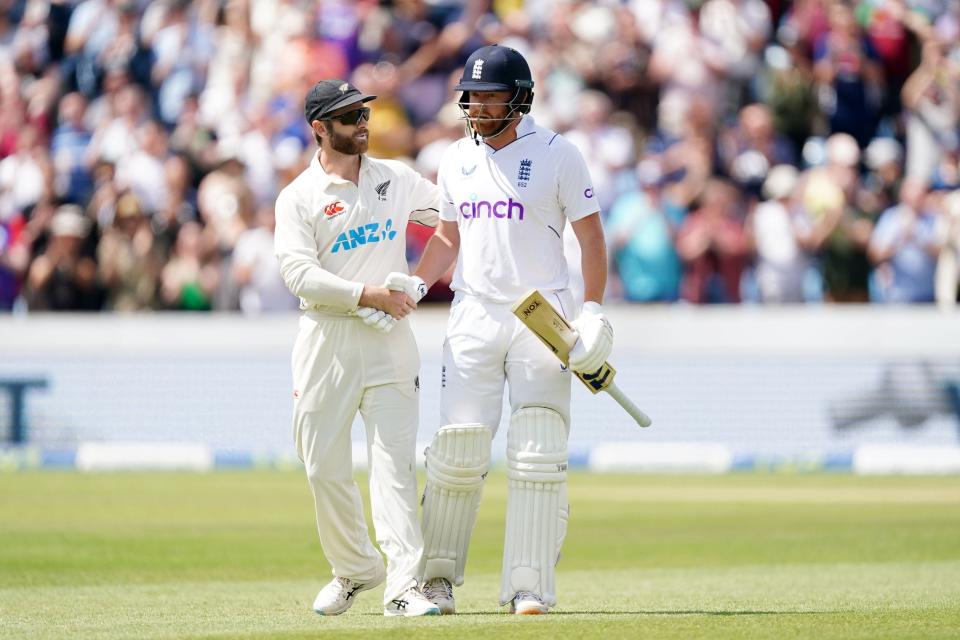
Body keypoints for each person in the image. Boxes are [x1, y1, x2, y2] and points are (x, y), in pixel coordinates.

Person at [398, 44, 614, 615]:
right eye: (471, 97)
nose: (476, 107)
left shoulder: (559, 155)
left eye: (490, 97)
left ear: (520, 98)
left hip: (541, 315)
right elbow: (448, 238)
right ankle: (436, 581)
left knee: (538, 450)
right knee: (458, 449)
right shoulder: (453, 159)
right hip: (473, 312)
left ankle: (529, 587)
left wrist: (591, 311)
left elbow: (591, 238)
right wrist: (419, 284)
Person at [273, 78, 441, 617]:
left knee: (394, 466)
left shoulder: (396, 178)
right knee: (322, 465)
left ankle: (403, 586)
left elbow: (454, 221)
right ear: (320, 128)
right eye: (347, 118)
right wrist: (365, 294)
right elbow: (298, 274)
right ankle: (355, 568)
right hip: (327, 337)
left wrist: (420, 281)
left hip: (390, 340)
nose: (361, 123)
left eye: (363, 113)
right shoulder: (299, 196)